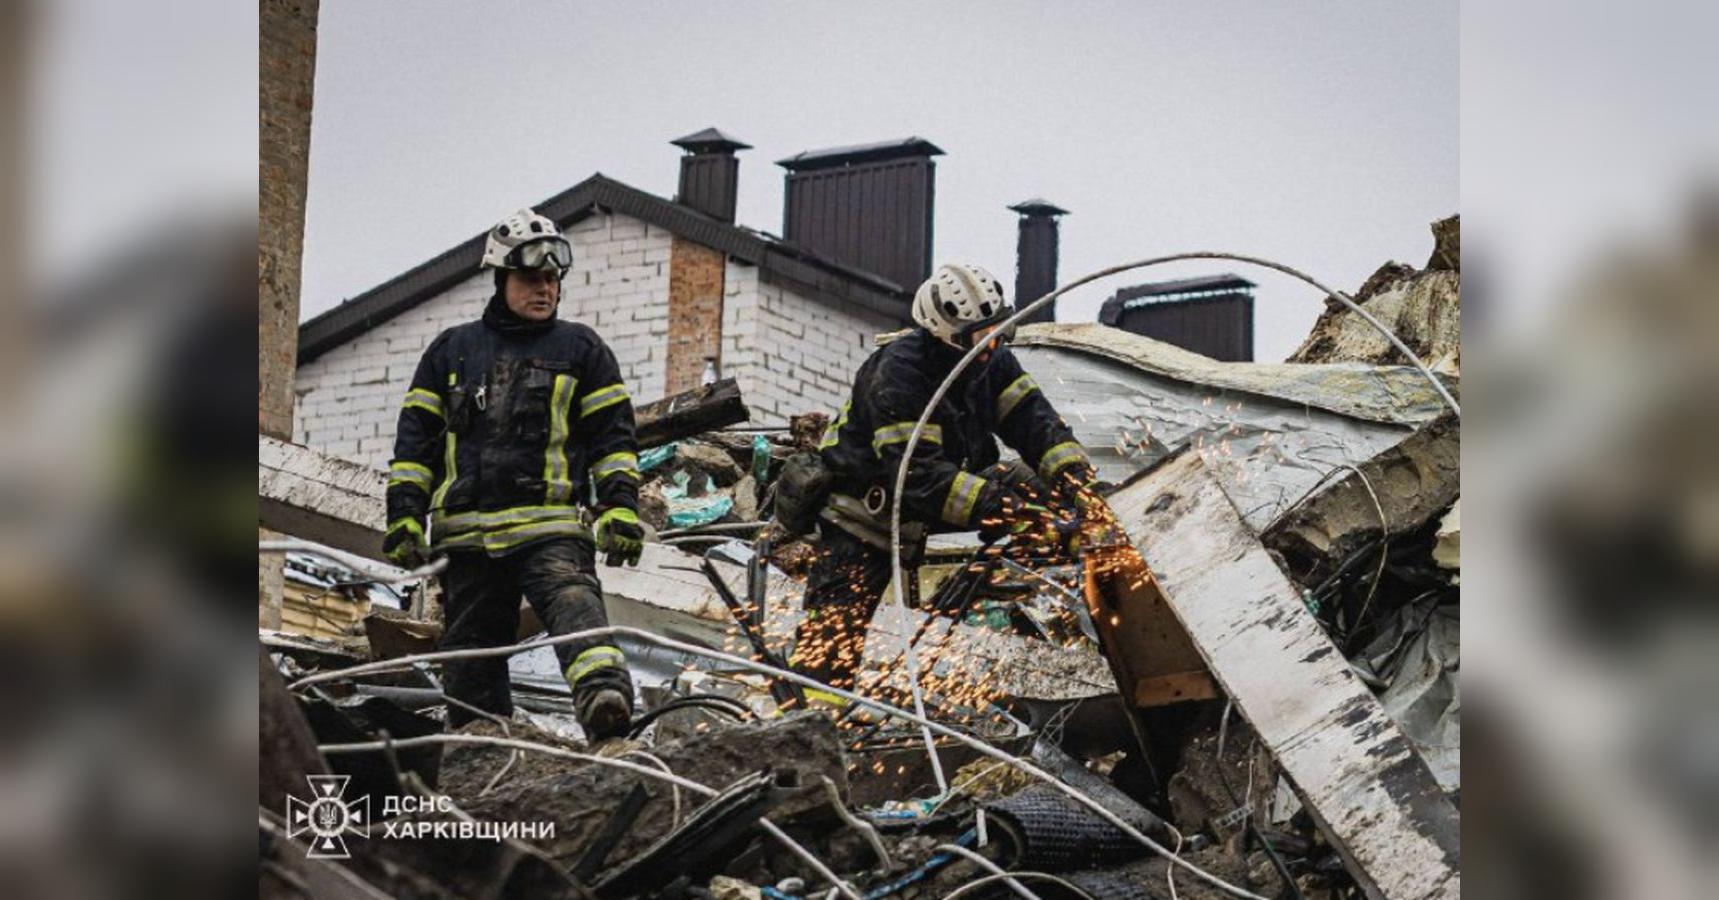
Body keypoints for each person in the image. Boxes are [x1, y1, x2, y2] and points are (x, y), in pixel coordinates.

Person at [382, 207, 646, 741]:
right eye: (531, 278)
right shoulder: (451, 352)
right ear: (501, 278)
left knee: (576, 609)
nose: (545, 289)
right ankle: (483, 756)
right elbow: (415, 448)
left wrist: (620, 507)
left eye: (552, 278)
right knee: (469, 662)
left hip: (549, 529)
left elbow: (614, 441)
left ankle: (606, 709)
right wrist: (404, 516)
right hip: (467, 538)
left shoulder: (582, 350)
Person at [788, 263, 1101, 702]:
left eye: (1000, 331)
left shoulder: (993, 362)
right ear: (946, 336)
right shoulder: (899, 373)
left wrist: (1081, 487)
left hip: (943, 491)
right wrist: (1013, 514)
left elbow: (1038, 425)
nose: (991, 346)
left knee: (1029, 483)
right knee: (833, 637)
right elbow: (920, 478)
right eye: (980, 336)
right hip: (867, 516)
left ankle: (1081, 571)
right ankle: (812, 719)